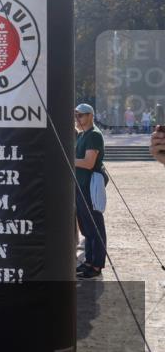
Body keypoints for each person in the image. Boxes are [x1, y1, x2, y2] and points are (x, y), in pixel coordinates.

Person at [74, 103, 106, 280]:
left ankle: (96, 264)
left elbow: (88, 163)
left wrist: (69, 159)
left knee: (95, 226)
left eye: (81, 115)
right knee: (86, 227)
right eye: (76, 115)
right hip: (80, 185)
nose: (77, 119)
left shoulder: (93, 135)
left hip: (89, 186)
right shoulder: (83, 135)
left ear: (91, 116)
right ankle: (88, 261)